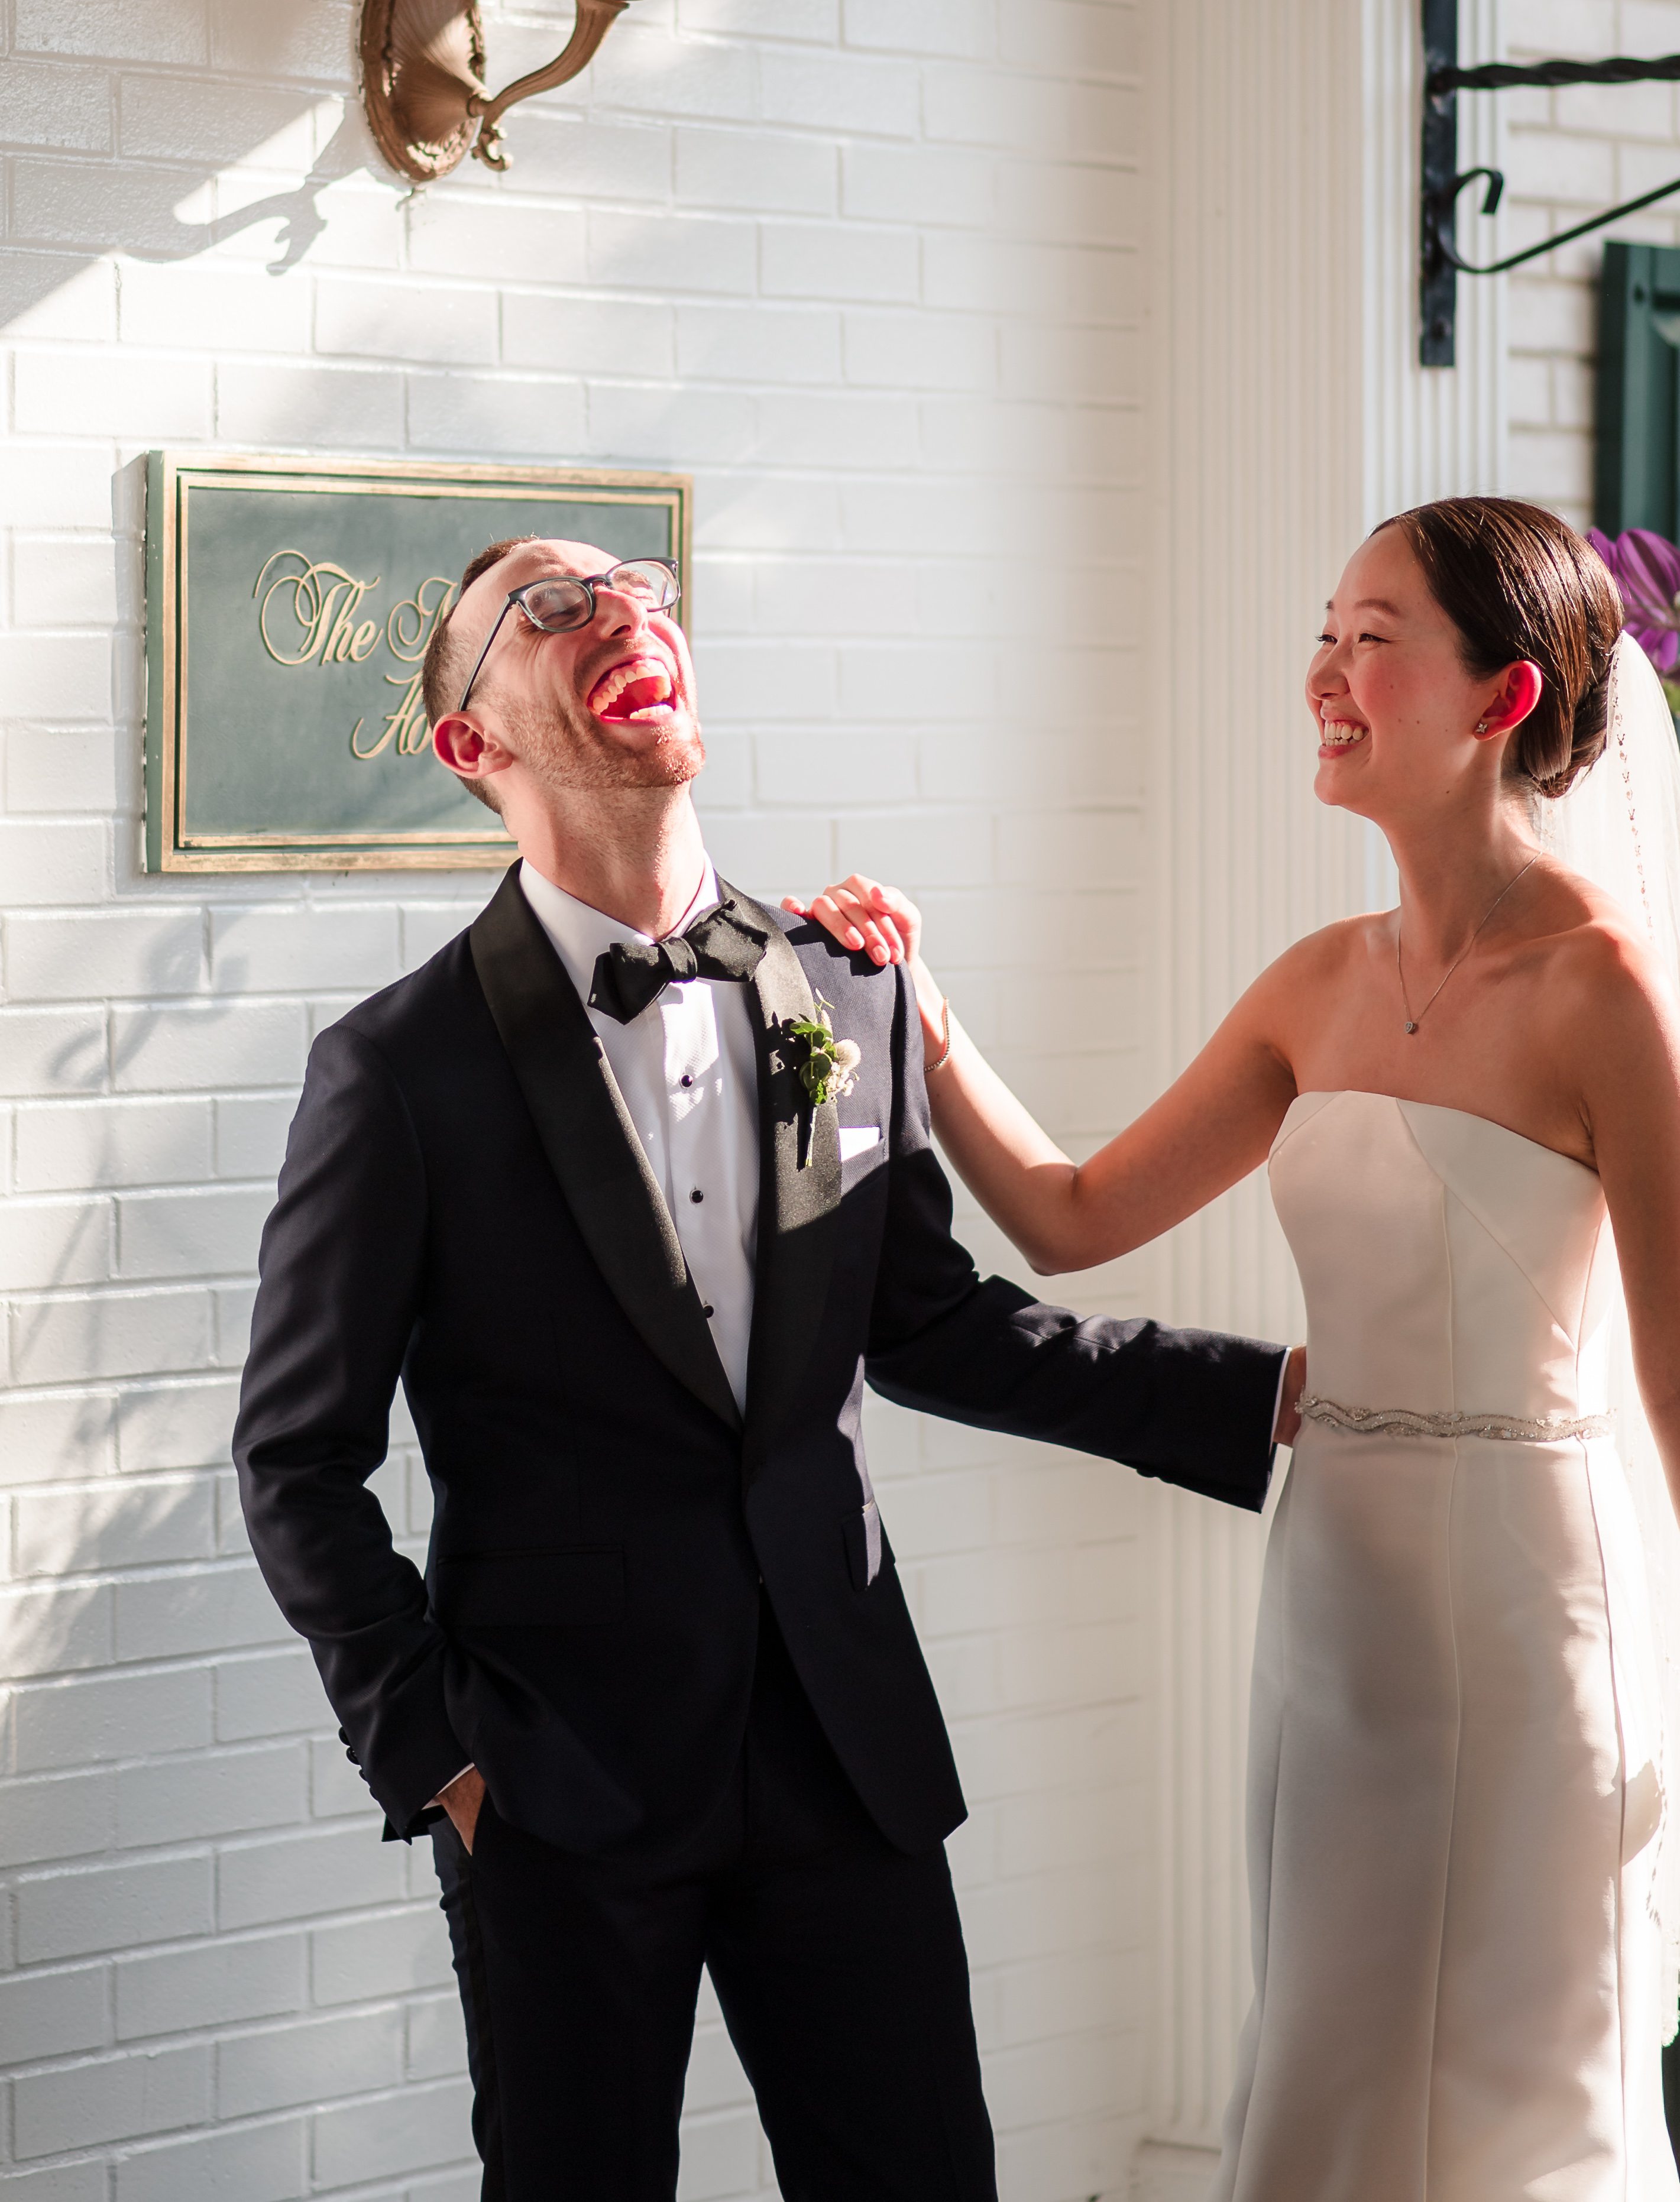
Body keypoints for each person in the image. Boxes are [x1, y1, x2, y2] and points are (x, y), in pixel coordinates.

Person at [232, 533, 1299, 2202]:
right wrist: (437, 1757)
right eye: (554, 607)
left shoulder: (843, 987)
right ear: (471, 745)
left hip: (842, 1741)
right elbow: (296, 1458)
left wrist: (1279, 1398)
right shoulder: (396, 1069)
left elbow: (937, 1326)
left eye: (640, 586)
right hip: (558, 1778)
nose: (624, 613)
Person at [792, 498, 1680, 2200]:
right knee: (1324, 2039)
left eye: (1372, 640)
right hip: (1331, 1575)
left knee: (1514, 2054)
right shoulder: (1312, 986)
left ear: (1500, 700)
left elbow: (1677, 1375)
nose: (1323, 678)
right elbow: (1062, 1214)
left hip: (1529, 1596)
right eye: (1321, 634)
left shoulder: (1602, 991)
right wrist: (926, 1011)